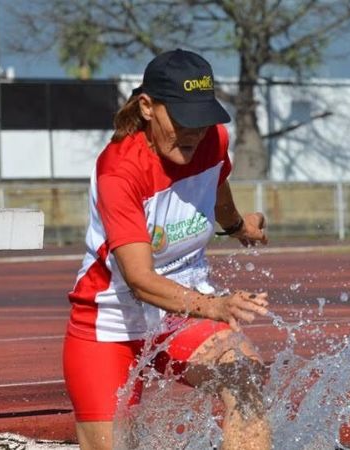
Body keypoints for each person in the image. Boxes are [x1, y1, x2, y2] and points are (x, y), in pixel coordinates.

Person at [64, 49, 272, 450]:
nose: (194, 133)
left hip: (182, 315)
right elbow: (139, 280)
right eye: (182, 121)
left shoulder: (213, 140)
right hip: (110, 325)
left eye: (202, 120)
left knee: (245, 380)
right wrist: (215, 306)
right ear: (147, 107)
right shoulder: (120, 171)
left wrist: (235, 224)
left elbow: (216, 183)